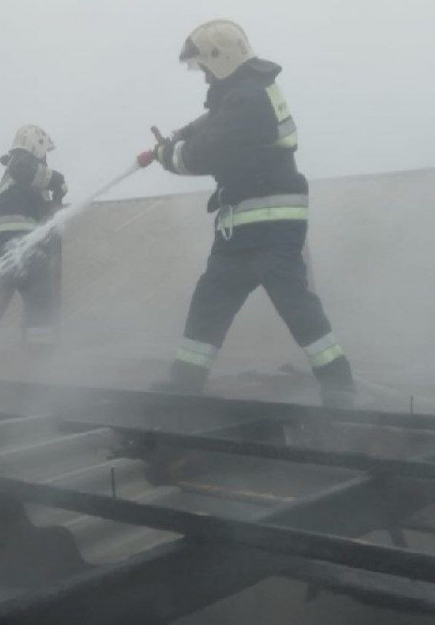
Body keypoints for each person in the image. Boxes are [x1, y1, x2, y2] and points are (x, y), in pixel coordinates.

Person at [138, 19, 355, 406]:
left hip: (270, 228)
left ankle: (339, 384)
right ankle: (185, 382)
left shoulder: (248, 98)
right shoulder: (243, 96)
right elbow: (215, 130)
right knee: (209, 304)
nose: (203, 77)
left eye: (204, 67)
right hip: (239, 231)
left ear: (220, 59)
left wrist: (166, 155)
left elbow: (208, 152)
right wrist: (186, 133)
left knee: (296, 305)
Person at [0, 124, 68, 360]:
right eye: (44, 152)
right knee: (41, 301)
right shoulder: (20, 163)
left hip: (2, 249)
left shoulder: (25, 183)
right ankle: (38, 357)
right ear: (35, 145)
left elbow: (46, 220)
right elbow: (28, 169)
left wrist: (55, 202)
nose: (45, 159)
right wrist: (58, 180)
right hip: (24, 247)